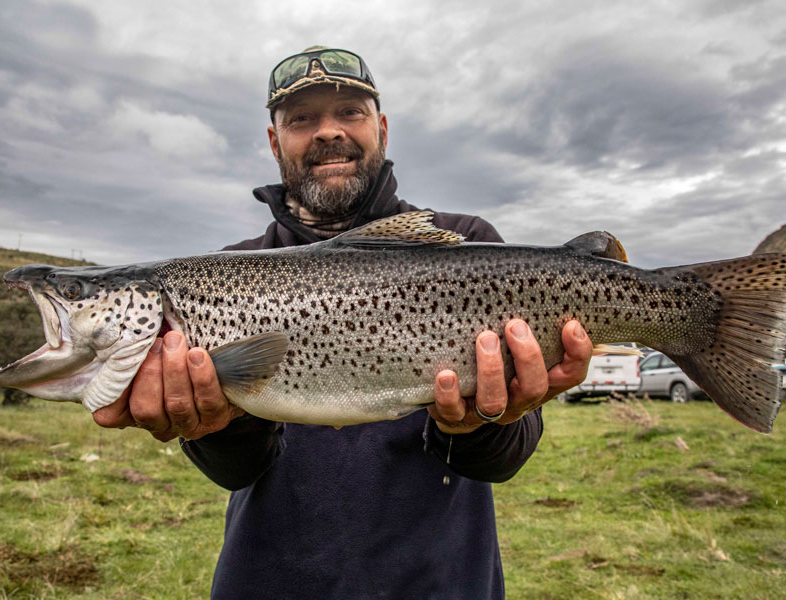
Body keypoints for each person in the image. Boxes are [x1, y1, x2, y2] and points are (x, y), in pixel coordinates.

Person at [94, 47, 593, 599]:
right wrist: (215, 423)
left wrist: (478, 423)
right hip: (271, 580)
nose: (328, 132)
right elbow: (236, 472)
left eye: (349, 112)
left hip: (441, 581)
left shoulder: (466, 242)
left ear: (381, 128)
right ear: (273, 140)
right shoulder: (224, 274)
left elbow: (507, 458)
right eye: (302, 119)